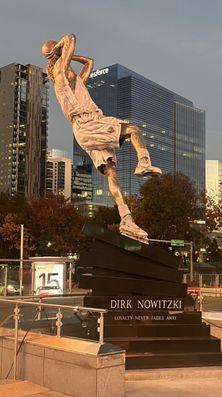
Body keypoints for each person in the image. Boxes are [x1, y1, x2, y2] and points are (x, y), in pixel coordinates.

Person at [41, 34, 161, 243]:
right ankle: (144, 162)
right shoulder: (60, 76)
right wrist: (59, 51)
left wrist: (65, 54)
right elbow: (70, 37)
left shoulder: (76, 82)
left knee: (111, 172)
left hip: (86, 130)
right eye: (64, 59)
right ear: (59, 59)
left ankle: (126, 219)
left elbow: (89, 62)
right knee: (132, 129)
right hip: (88, 124)